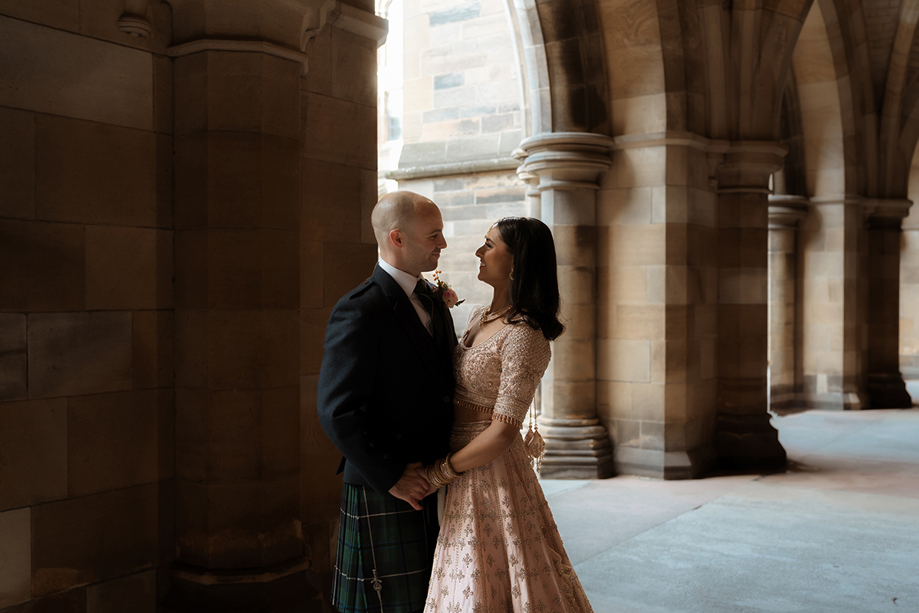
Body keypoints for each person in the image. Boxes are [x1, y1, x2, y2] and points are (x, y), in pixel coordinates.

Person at [423, 217, 594, 613]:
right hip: (459, 460)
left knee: (486, 583)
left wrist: (440, 473)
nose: (478, 252)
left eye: (489, 245)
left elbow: (502, 431)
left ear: (517, 263)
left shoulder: (526, 334)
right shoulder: (477, 315)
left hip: (489, 471)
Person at [318, 191, 458, 613]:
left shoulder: (433, 299)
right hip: (389, 482)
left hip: (436, 476)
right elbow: (337, 411)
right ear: (397, 238)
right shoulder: (360, 310)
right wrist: (392, 474)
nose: (443, 244)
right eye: (433, 235)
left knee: (431, 601)